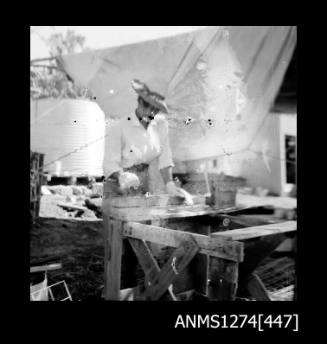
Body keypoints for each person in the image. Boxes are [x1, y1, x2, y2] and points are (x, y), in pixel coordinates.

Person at [103, 79, 193, 203]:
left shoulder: (160, 125)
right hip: (117, 186)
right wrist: (121, 176)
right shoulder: (119, 127)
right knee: (122, 218)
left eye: (155, 109)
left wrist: (169, 184)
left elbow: (165, 157)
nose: (150, 112)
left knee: (143, 217)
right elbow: (109, 164)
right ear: (139, 102)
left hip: (142, 182)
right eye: (146, 105)